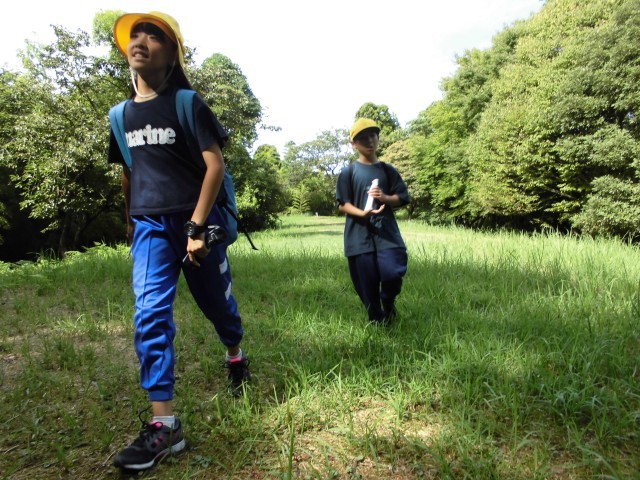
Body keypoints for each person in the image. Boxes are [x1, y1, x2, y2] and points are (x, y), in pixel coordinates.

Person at [107, 11, 250, 471]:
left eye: (154, 35)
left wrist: (196, 228)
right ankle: (164, 426)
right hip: (149, 226)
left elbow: (215, 166)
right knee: (149, 313)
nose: (141, 39)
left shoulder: (187, 103)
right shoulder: (119, 116)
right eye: (135, 34)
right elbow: (129, 171)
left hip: (196, 223)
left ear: (172, 54)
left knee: (217, 306)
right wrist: (130, 221)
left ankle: (235, 355)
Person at [336, 118, 410, 325]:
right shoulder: (348, 172)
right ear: (353, 144)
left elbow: (402, 197)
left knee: (393, 272)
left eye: (372, 135)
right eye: (362, 138)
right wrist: (362, 213)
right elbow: (343, 204)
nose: (369, 141)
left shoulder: (387, 170)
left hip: (387, 234)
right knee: (366, 285)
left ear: (378, 138)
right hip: (358, 237)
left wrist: (385, 197)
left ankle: (388, 300)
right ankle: (378, 322)